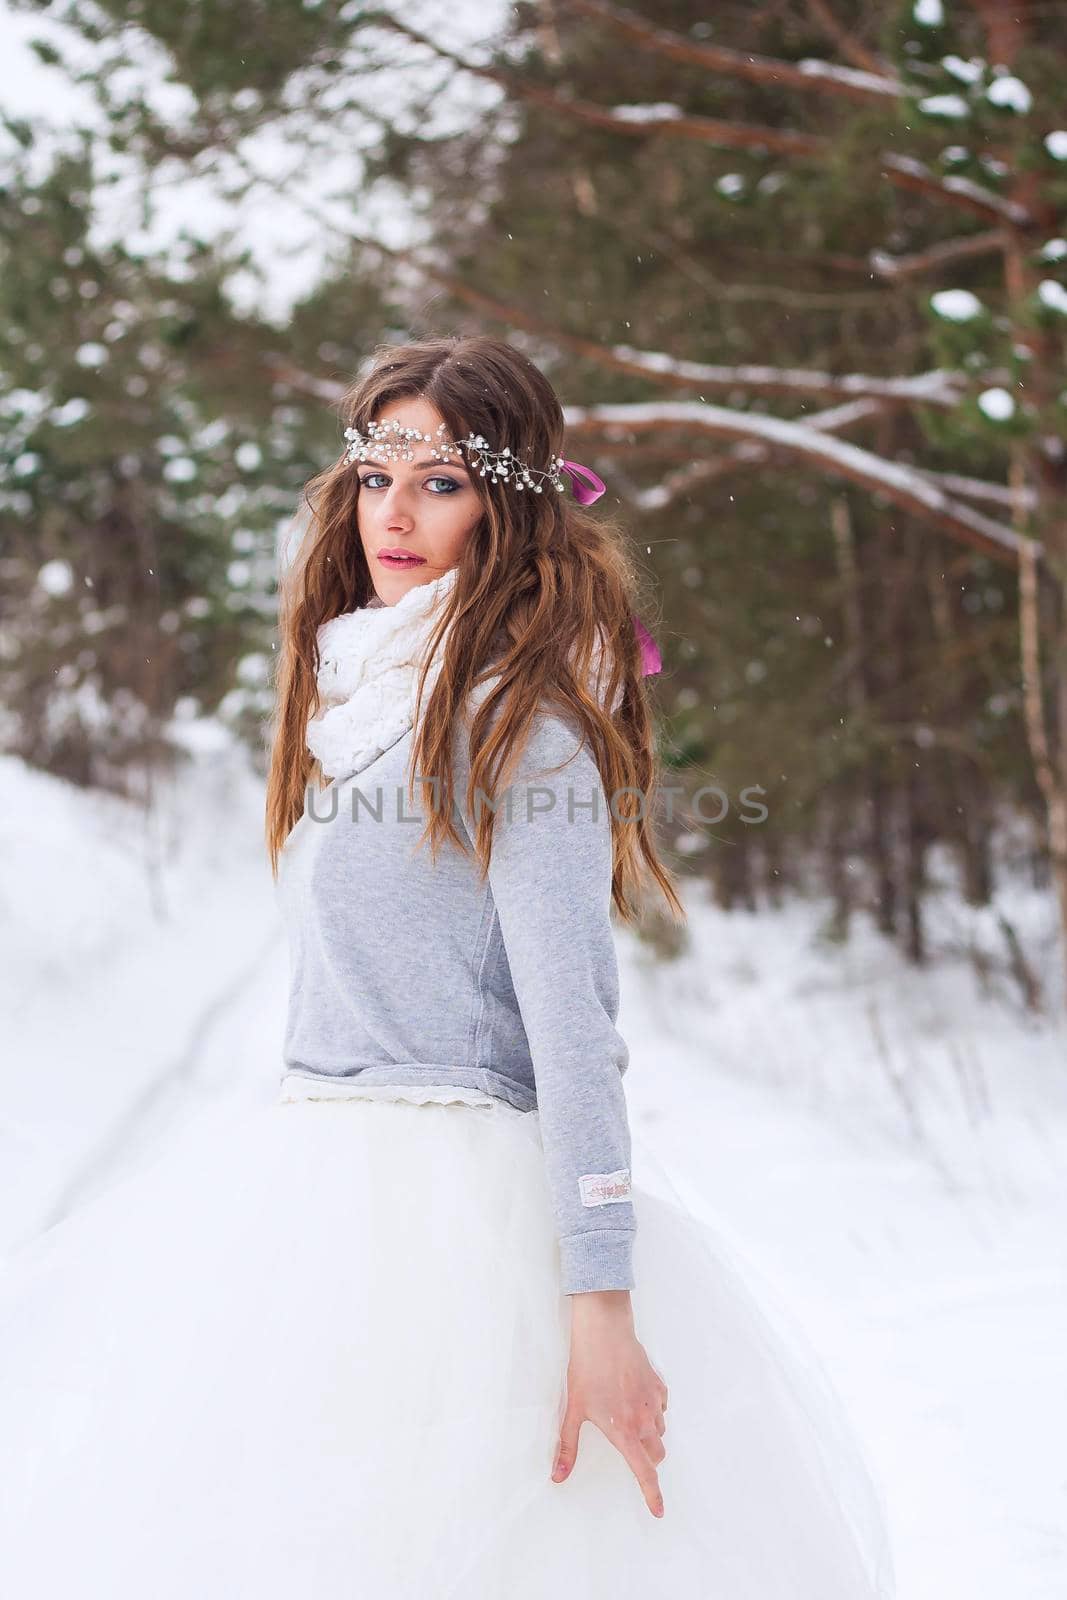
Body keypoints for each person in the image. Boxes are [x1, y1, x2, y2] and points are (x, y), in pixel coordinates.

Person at [0, 334, 895, 1597]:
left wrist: (596, 1301)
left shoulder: (516, 723)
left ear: (507, 502)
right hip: (309, 1196)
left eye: (439, 481)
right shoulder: (357, 693)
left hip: (456, 1225)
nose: (395, 515)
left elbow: (574, 1024)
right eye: (375, 476)